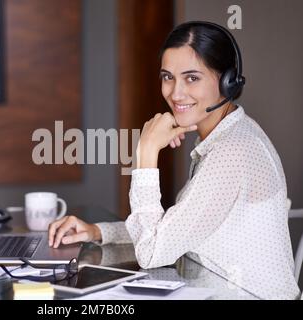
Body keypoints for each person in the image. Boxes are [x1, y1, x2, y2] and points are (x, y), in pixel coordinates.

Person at [48, 21, 301, 300]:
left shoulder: (233, 152)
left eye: (192, 78)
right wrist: (98, 232)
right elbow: (175, 232)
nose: (176, 93)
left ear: (228, 82)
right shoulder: (228, 136)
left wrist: (146, 153)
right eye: (168, 77)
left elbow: (152, 253)